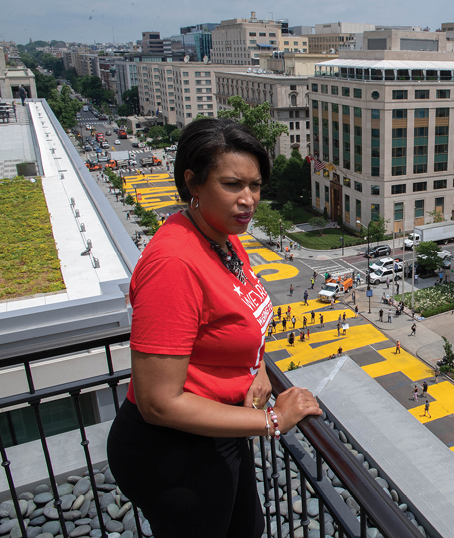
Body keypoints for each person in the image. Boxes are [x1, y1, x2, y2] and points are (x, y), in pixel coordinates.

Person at [107, 118, 321, 538]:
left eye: (255, 186)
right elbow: (159, 402)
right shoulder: (175, 263)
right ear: (194, 183)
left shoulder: (223, 236)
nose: (248, 200)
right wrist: (275, 421)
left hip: (218, 428)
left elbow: (233, 318)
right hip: (172, 449)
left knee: (247, 529)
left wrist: (254, 367)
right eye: (232, 185)